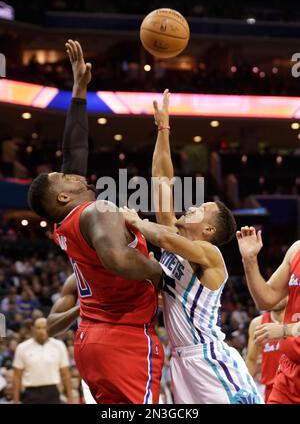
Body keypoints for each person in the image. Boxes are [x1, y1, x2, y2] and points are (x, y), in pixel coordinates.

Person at [27, 40, 164, 404]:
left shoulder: (68, 223)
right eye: (64, 177)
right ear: (62, 196)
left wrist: (79, 90)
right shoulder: (96, 211)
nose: (72, 173)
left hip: (92, 340)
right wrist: (159, 273)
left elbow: (74, 151)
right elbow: (118, 260)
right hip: (125, 339)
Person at [120, 89, 263, 404]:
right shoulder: (177, 238)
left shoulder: (210, 255)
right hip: (181, 362)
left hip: (210, 358)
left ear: (209, 229)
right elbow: (161, 180)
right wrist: (163, 130)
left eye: (200, 208)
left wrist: (136, 221)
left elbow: (166, 238)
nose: (192, 206)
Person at [236, 227, 300, 403]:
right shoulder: (296, 250)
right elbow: (267, 298)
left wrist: (285, 330)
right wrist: (249, 260)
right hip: (289, 374)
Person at [47, 274, 96, 404]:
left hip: (128, 347)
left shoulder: (127, 266)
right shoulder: (76, 278)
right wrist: (81, 307)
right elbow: (51, 326)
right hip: (92, 356)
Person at [12, 318, 73, 404]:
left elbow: (66, 375)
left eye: (44, 327)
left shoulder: (59, 346)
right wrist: (15, 401)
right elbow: (17, 377)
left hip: (52, 392)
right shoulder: (22, 347)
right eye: (38, 328)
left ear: (49, 328)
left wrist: (71, 399)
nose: (41, 331)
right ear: (33, 329)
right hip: (30, 393)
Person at [246, 298, 287, 402]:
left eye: (281, 293)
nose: (276, 297)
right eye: (273, 292)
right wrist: (245, 388)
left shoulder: (296, 321)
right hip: (271, 390)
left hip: (295, 386)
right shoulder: (258, 323)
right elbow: (251, 359)